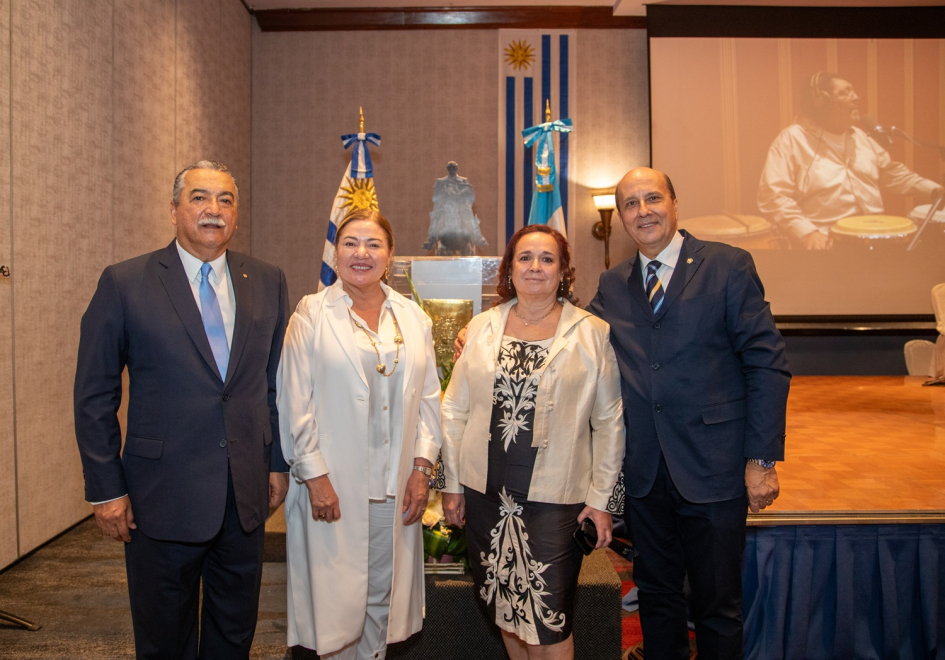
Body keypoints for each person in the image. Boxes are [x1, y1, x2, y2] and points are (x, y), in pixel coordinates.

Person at [74, 160, 290, 659]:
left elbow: (275, 383)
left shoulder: (266, 280)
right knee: (164, 640)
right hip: (160, 497)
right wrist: (106, 489)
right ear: (174, 209)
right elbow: (94, 395)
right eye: (199, 198)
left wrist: (276, 461)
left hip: (245, 498)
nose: (213, 210)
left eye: (225, 200)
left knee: (234, 635)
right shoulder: (125, 283)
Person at [585, 167, 791, 660]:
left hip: (715, 467)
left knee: (718, 605)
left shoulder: (727, 265)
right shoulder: (613, 283)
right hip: (645, 471)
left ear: (675, 204)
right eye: (630, 204)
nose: (642, 211)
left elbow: (767, 362)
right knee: (656, 597)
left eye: (652, 198)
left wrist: (761, 459)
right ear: (623, 220)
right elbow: (574, 338)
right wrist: (496, 325)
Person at [441, 224, 625, 660]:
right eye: (525, 258)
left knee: (548, 617)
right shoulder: (482, 327)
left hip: (556, 498)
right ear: (509, 268)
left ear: (563, 271)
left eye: (547, 259)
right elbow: (453, 410)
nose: (536, 267)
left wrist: (601, 501)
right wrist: (450, 484)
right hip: (486, 492)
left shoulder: (592, 333)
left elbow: (611, 422)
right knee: (503, 608)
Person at [277, 208, 442, 659]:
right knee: (335, 606)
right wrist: (315, 476)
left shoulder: (412, 317)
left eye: (373, 244)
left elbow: (430, 401)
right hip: (332, 486)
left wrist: (422, 468)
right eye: (350, 243)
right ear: (336, 251)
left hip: (395, 489)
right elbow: (294, 402)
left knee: (382, 601)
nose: (361, 253)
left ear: (390, 255)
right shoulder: (311, 314)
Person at [757, 71, 944, 249]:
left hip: (875, 240)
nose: (856, 97)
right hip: (826, 243)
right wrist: (808, 233)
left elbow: (892, 173)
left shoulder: (861, 137)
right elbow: (774, 197)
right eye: (845, 93)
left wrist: (934, 191)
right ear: (821, 101)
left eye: (853, 91)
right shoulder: (792, 139)